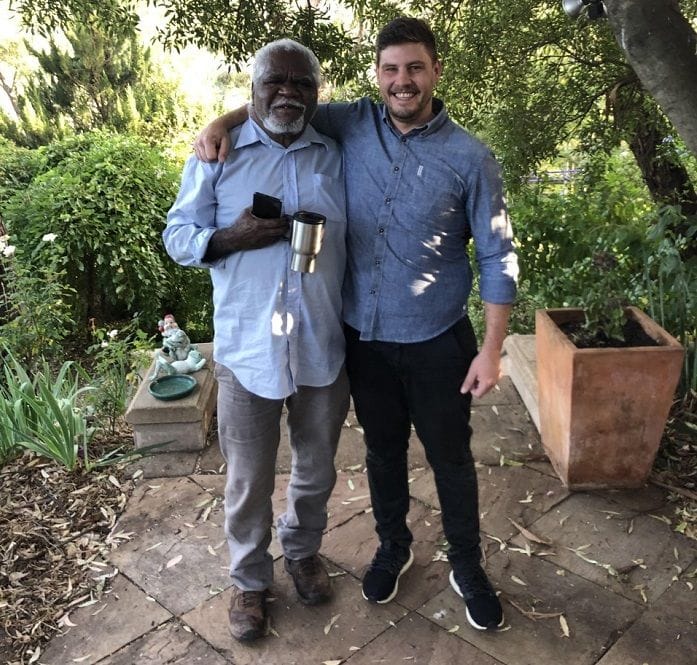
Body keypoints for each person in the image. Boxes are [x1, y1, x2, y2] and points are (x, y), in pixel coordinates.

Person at [194, 17, 519, 632]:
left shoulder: (471, 158)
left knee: (450, 457)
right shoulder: (350, 122)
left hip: (437, 340)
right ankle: (394, 546)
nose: (403, 82)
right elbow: (280, 97)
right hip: (362, 341)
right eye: (391, 69)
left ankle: (468, 564)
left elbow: (499, 255)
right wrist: (224, 121)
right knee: (381, 452)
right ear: (378, 75)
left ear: (435, 72)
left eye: (415, 68)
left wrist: (493, 349)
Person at [164, 39, 349, 643]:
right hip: (248, 351)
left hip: (322, 343)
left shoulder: (338, 150)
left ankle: (301, 552)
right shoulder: (217, 156)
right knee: (247, 479)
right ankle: (249, 580)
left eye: (302, 83)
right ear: (252, 89)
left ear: (317, 94)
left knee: (316, 469)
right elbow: (178, 236)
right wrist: (229, 238)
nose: (288, 92)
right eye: (275, 82)